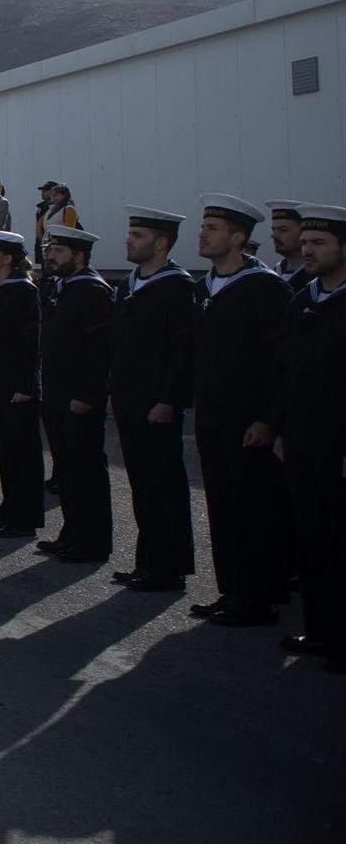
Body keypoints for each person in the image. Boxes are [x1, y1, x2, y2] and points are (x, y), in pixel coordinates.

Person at [189, 196, 291, 626]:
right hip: (212, 415)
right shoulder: (205, 286)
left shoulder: (264, 288)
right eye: (203, 226)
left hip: (249, 418)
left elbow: (281, 362)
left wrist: (268, 418)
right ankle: (231, 590)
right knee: (222, 503)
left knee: (254, 508)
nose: (202, 233)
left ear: (238, 238)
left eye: (212, 228)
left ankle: (258, 597)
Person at [110, 206, 199, 593]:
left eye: (138, 236)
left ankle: (169, 567)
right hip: (130, 400)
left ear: (161, 243)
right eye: (130, 234)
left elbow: (181, 352)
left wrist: (168, 399)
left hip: (157, 403)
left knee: (164, 485)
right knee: (142, 484)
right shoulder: (129, 284)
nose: (129, 240)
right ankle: (147, 561)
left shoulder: (177, 286)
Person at [274, 203, 346, 668]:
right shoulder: (303, 299)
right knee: (314, 539)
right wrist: (280, 428)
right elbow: (286, 372)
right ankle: (321, 630)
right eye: (306, 243)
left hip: (339, 444)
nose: (308, 250)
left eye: (319, 244)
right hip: (303, 441)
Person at [36, 223, 112, 563]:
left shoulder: (92, 291)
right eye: (50, 249)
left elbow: (99, 351)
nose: (50, 255)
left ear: (79, 256)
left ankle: (91, 541)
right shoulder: (61, 287)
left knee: (85, 470)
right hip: (55, 394)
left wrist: (88, 393)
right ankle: (72, 532)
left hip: (78, 398)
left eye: (58, 250)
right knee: (67, 470)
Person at [0, 231, 43, 539]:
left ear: (7, 258)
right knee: (5, 452)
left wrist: (25, 385)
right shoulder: (1, 290)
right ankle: (9, 513)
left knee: (22, 455)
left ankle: (24, 518)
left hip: (16, 387)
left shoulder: (23, 292)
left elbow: (30, 344)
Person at [267, 199, 314, 291]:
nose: (274, 235)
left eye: (283, 230)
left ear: (304, 233)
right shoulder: (274, 272)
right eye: (273, 229)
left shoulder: (316, 277)